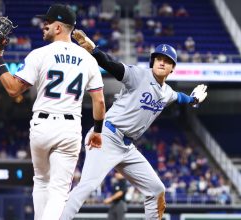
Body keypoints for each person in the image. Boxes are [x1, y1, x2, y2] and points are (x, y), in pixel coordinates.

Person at [60, 30, 207, 219]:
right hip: (106, 136)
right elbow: (113, 66)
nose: (162, 62)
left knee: (156, 189)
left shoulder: (167, 92)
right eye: (158, 58)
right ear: (152, 62)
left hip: (127, 147)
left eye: (167, 60)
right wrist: (94, 51)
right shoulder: (139, 75)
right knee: (87, 185)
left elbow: (180, 97)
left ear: (172, 69)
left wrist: (193, 100)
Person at [0, 4, 106, 220]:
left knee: (41, 181)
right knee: (59, 190)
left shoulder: (39, 54)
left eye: (48, 22)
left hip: (41, 125)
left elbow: (13, 89)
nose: (44, 25)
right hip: (69, 127)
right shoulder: (88, 59)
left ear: (59, 27)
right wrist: (97, 131)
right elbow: (99, 101)